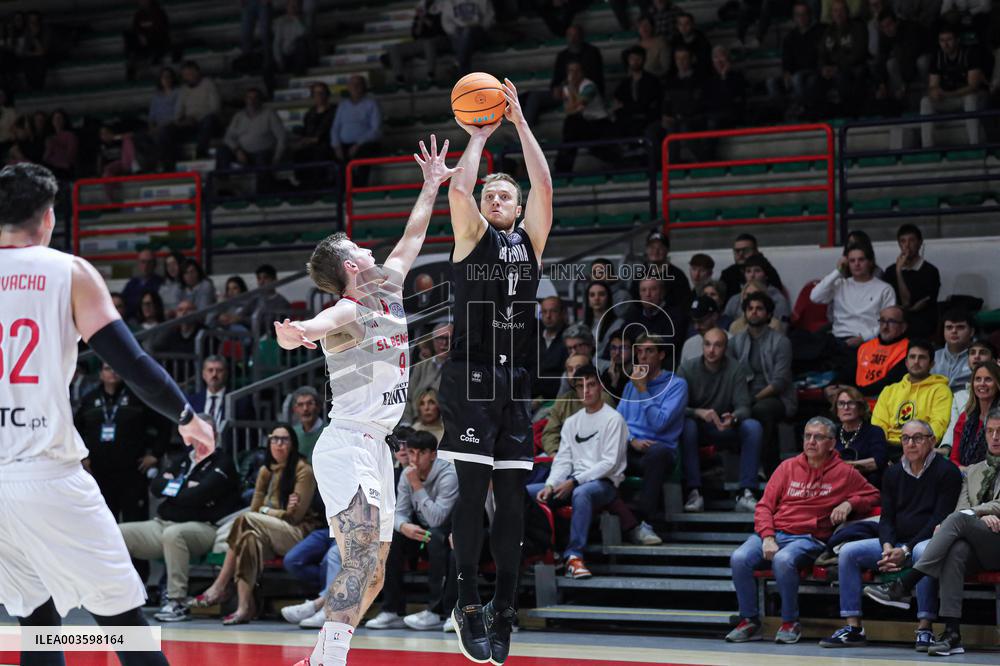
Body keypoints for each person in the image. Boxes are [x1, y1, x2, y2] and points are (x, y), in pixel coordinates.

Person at [0, 162, 215, 666]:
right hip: (46, 474)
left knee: (36, 623)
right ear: (49, 218)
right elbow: (132, 363)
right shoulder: (68, 272)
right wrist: (187, 416)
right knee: (124, 628)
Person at [275, 135, 458, 666]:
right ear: (351, 267)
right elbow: (315, 325)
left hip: (377, 445)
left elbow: (413, 235)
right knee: (358, 560)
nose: (371, 251)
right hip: (347, 445)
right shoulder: (347, 311)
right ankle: (331, 660)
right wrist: (295, 333)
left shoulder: (391, 290)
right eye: (360, 249)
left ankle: (320, 656)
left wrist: (431, 184)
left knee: (374, 571)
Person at [436, 80, 553, 665]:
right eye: (492, 195)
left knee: (512, 499)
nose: (498, 199)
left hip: (516, 381)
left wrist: (522, 124)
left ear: (518, 206)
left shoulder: (531, 242)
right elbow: (459, 188)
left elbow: (545, 187)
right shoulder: (471, 235)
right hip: (471, 376)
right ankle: (466, 603)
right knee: (472, 490)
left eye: (506, 195)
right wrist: (478, 136)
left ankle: (504, 607)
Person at [725, 417, 880, 645]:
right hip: (775, 532)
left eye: (818, 437)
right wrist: (767, 536)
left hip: (809, 537)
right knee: (739, 558)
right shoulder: (787, 467)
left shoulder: (844, 472)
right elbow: (764, 506)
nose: (811, 441)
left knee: (783, 559)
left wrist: (849, 503)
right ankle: (749, 620)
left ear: (831, 443)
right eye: (808, 436)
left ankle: (790, 622)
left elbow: (874, 495)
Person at [862, 408, 1000, 657]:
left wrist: (976, 513)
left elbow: (977, 510)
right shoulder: (973, 470)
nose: (995, 437)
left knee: (956, 521)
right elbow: (961, 507)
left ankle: (905, 584)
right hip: (975, 540)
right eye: (990, 431)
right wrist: (977, 516)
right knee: (955, 552)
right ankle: (952, 633)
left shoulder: (952, 472)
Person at [820, 419, 961, 649]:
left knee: (923, 552)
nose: (911, 443)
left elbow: (939, 520)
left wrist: (905, 550)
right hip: (896, 543)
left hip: (928, 541)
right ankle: (853, 628)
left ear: (932, 441)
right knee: (848, 552)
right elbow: (886, 518)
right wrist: (887, 547)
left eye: (918, 438)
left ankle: (925, 628)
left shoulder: (947, 472)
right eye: (906, 438)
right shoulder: (893, 472)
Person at [192, 424, 323, 624]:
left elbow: (294, 517)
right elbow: (255, 509)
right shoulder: (265, 471)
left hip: (297, 534)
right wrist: (272, 512)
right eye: (275, 439)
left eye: (284, 440)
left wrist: (266, 511)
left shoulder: (303, 470)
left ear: (293, 444)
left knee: (244, 520)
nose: (279, 444)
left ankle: (220, 584)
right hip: (270, 532)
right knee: (248, 538)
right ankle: (245, 607)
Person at [122, 419, 243, 623]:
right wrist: (186, 487)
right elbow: (156, 486)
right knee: (118, 533)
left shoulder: (222, 463)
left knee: (174, 535)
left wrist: (175, 487)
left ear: (215, 434)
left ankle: (177, 601)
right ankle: (122, 597)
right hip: (164, 523)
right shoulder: (183, 460)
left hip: (205, 528)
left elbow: (198, 495)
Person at [528, 365, 629, 578]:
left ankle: (574, 556)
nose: (586, 391)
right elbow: (563, 461)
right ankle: (541, 552)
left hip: (605, 483)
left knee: (582, 493)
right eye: (581, 386)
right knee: (526, 492)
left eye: (591, 385)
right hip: (571, 480)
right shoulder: (572, 422)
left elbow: (609, 464)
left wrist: (574, 482)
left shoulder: (614, 419)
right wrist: (550, 485)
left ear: (600, 387)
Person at [366, 430, 458, 630]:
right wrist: (403, 526)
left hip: (447, 532)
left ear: (433, 454)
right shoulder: (407, 474)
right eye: (411, 452)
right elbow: (399, 512)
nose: (414, 459)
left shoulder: (448, 475)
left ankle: (436, 612)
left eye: (421, 453)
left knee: (435, 538)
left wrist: (416, 484)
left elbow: (437, 519)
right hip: (420, 532)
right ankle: (392, 610)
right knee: (389, 538)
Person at [679, 328, 762, 513]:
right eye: (707, 344)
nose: (711, 350)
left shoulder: (735, 369)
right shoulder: (687, 368)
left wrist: (734, 417)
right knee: (687, 425)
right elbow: (675, 407)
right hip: (698, 427)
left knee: (753, 426)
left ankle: (746, 492)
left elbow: (744, 406)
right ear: (702, 346)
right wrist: (698, 412)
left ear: (725, 348)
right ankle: (694, 491)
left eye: (717, 345)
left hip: (725, 426)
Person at [74, 362, 170, 522]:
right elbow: (75, 430)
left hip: (132, 471)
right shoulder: (89, 400)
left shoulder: (138, 397)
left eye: (116, 368)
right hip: (99, 471)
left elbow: (164, 425)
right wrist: (82, 457)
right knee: (103, 522)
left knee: (135, 522)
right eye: (107, 368)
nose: (113, 372)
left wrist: (155, 454)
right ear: (100, 374)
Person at [617, 334, 688, 527]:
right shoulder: (630, 385)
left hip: (659, 450)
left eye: (649, 351)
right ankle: (609, 514)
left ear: (661, 355)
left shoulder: (676, 385)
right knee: (604, 446)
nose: (643, 356)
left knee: (657, 453)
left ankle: (644, 521)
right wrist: (631, 440)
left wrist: (643, 390)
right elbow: (617, 422)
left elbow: (659, 423)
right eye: (639, 351)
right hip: (630, 447)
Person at [729, 292, 797, 473]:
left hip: (776, 397)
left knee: (761, 410)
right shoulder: (736, 341)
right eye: (750, 308)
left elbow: (779, 382)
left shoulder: (781, 342)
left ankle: (767, 468)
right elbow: (730, 374)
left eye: (759, 309)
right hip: (744, 395)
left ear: (769, 314)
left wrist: (752, 399)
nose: (754, 312)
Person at [872, 339, 953, 458]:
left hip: (920, 449)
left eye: (922, 358)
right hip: (887, 447)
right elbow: (878, 425)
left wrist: (915, 443)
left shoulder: (941, 390)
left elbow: (938, 424)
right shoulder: (889, 390)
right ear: (906, 362)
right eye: (912, 357)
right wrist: (880, 447)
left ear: (931, 364)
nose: (916, 361)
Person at [810, 243, 896, 349]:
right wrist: (838, 271)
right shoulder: (840, 284)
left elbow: (889, 322)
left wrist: (863, 338)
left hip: (868, 342)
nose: (856, 264)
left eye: (861, 260)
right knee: (800, 338)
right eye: (852, 261)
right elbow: (814, 297)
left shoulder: (885, 289)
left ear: (870, 262)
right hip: (838, 340)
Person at [919, 25, 987, 147]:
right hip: (948, 99)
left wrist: (948, 94)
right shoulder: (937, 57)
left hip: (968, 97)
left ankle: (975, 145)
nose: (945, 44)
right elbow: (933, 85)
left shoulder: (969, 54)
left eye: (949, 39)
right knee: (925, 101)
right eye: (942, 40)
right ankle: (927, 147)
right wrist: (934, 92)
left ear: (957, 40)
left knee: (970, 98)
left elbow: (973, 86)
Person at [554, 59, 615, 173]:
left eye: (577, 71)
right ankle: (562, 169)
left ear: (582, 72)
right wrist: (571, 92)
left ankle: (562, 168)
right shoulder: (567, 88)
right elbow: (569, 110)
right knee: (571, 127)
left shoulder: (589, 86)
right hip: (582, 123)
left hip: (599, 123)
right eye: (571, 71)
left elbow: (577, 105)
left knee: (571, 125)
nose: (573, 74)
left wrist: (572, 90)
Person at [882, 224, 941, 340]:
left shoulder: (930, 271)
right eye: (903, 241)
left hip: (922, 324)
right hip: (895, 323)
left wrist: (906, 308)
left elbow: (907, 303)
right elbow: (893, 305)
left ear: (920, 243)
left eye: (911, 240)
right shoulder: (890, 271)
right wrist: (898, 271)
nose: (907, 245)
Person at [160, 60, 222, 166]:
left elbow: (215, 108)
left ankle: (200, 155)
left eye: (190, 73)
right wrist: (184, 121)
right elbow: (177, 114)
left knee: (209, 120)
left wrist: (197, 119)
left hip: (207, 121)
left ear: (197, 72)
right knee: (167, 130)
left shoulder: (208, 84)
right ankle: (171, 164)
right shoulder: (183, 90)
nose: (188, 76)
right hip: (190, 124)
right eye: (185, 74)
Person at [942, 339, 996, 451]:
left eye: (982, 352)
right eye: (972, 353)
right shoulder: (959, 396)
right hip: (965, 453)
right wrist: (946, 446)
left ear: (994, 361)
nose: (976, 356)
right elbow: (954, 426)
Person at [770, 2, 821, 117]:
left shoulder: (819, 32)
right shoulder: (790, 37)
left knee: (798, 78)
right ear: (794, 18)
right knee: (771, 82)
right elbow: (786, 60)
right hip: (795, 74)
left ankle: (802, 109)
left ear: (810, 15)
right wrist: (786, 72)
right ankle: (786, 111)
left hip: (812, 71)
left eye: (804, 14)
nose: (801, 18)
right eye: (798, 15)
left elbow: (819, 58)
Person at [217, 87, 287, 171]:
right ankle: (222, 179)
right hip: (242, 153)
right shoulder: (239, 116)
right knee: (222, 151)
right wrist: (237, 150)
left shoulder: (270, 114)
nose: (252, 101)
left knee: (263, 158)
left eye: (255, 98)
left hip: (263, 152)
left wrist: (277, 157)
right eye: (249, 98)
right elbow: (228, 137)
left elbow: (281, 137)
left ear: (260, 100)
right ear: (245, 100)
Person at [329, 75, 382, 186]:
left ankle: (361, 187)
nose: (355, 87)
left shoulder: (371, 104)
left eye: (358, 84)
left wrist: (358, 144)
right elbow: (335, 128)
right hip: (344, 145)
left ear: (364, 86)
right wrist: (336, 145)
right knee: (332, 156)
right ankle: (343, 189)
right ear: (348, 87)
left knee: (364, 154)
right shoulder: (342, 105)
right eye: (352, 84)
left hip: (365, 144)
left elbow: (375, 130)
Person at [832, 387, 888, 488]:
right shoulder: (832, 433)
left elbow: (877, 462)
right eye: (841, 403)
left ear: (860, 407)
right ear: (836, 410)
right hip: (836, 484)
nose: (846, 407)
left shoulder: (874, 432)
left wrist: (843, 466)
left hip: (866, 484)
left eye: (851, 403)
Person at [949, 361, 1000, 469]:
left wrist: (973, 473)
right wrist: (965, 471)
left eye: (988, 379)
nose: (982, 383)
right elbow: (954, 458)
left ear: (997, 383)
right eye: (978, 379)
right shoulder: (965, 417)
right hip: (962, 473)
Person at [384, 0, 448, 85]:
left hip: (439, 40)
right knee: (394, 48)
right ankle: (399, 78)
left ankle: (431, 75)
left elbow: (438, 29)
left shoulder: (442, 7)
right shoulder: (420, 12)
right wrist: (420, 20)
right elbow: (415, 35)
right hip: (420, 42)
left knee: (428, 43)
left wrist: (424, 18)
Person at [723, 255, 790, 330]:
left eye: (757, 271)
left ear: (766, 275)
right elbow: (724, 323)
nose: (752, 275)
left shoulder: (777, 299)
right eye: (748, 271)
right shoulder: (735, 299)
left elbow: (783, 327)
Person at [402, 322, 450, 425]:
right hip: (415, 424)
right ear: (433, 341)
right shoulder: (421, 366)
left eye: (448, 338)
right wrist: (406, 423)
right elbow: (407, 398)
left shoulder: (461, 370)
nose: (444, 343)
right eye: (440, 338)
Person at [187, 355, 255, 427]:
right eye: (210, 370)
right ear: (204, 374)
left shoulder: (240, 402)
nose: (214, 374)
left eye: (219, 370)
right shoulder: (192, 401)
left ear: (226, 374)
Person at [720, 233, 786, 300]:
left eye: (746, 250)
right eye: (737, 251)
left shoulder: (767, 271)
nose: (741, 254)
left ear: (756, 251)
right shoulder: (727, 274)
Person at [435, 0, 494, 75]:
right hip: (457, 35)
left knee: (467, 31)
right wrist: (455, 32)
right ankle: (462, 68)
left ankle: (458, 64)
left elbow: (488, 17)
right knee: (462, 34)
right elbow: (446, 21)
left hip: (477, 33)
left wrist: (479, 27)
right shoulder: (449, 2)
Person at [123, 0, 171, 81]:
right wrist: (141, 36)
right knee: (128, 36)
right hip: (143, 43)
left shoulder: (159, 12)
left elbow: (163, 29)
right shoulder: (138, 14)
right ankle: (131, 65)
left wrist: (147, 36)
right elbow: (135, 29)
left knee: (159, 41)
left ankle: (154, 61)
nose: (142, 2)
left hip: (158, 41)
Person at [535, 295, 568, 401]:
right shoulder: (533, 338)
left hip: (556, 399)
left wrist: (542, 398)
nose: (548, 316)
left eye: (553, 311)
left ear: (563, 313)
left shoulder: (570, 339)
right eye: (544, 312)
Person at [582, 281, 623, 362]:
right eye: (592, 295)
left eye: (601, 294)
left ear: (608, 298)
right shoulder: (582, 325)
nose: (596, 298)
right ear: (588, 300)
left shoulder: (619, 325)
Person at [935, 309, 975, 391]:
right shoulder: (932, 356)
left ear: (971, 332)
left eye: (960, 327)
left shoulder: (980, 358)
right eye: (949, 327)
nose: (954, 331)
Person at [680, 296, 725, 363]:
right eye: (693, 322)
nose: (696, 327)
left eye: (701, 321)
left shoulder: (730, 341)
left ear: (714, 316)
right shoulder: (689, 344)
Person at [122, 247, 163, 319]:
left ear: (155, 264)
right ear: (138, 263)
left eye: (149, 262)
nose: (146, 265)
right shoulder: (131, 284)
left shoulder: (161, 283)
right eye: (143, 262)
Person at [273, 0, 312, 74]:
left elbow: (303, 34)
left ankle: (298, 74)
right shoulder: (281, 22)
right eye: (291, 6)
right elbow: (277, 43)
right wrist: (279, 60)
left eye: (295, 6)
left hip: (296, 55)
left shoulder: (300, 21)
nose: (293, 8)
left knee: (301, 43)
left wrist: (296, 19)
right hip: (285, 55)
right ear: (287, 7)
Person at [291, 386, 325, 461]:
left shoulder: (328, 431)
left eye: (309, 403)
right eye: (300, 404)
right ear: (295, 409)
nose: (305, 408)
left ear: (318, 407)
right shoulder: (293, 433)